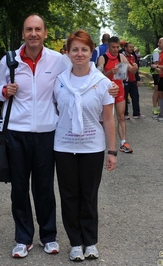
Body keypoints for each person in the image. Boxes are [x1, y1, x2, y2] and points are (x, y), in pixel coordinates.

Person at [0, 14, 70, 258]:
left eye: (37, 29)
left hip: (47, 133)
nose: (33, 34)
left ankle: (48, 236)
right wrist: (4, 91)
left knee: (44, 187)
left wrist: (104, 85)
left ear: (45, 33)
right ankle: (23, 238)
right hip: (16, 132)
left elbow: (80, 76)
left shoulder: (58, 60)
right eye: (28, 30)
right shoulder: (10, 60)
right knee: (19, 188)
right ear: (23, 34)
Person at [53, 29, 117, 262]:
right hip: (64, 147)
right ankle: (75, 243)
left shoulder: (102, 83)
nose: (79, 54)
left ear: (91, 52)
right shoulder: (59, 82)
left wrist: (112, 151)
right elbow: (54, 111)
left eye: (84, 49)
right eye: (75, 49)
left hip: (92, 147)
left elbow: (108, 119)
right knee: (69, 196)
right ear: (68, 53)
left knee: (89, 196)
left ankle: (90, 241)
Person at [97, 36, 138, 153]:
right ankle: (98, 141)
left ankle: (123, 143)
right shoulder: (102, 58)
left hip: (119, 89)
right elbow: (97, 77)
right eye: (113, 47)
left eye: (117, 47)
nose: (115, 50)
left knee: (121, 116)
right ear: (108, 47)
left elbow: (131, 70)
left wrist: (135, 67)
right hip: (106, 91)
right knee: (103, 118)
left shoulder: (121, 57)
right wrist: (110, 72)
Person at [122, 42, 145, 119]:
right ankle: (125, 114)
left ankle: (136, 113)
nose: (131, 49)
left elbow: (136, 69)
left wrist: (137, 79)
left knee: (135, 97)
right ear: (125, 48)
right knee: (124, 97)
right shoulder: (122, 56)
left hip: (133, 80)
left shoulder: (133, 56)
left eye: (132, 47)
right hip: (125, 80)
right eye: (130, 47)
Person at [151, 47, 161, 115]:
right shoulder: (156, 51)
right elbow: (156, 63)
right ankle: (155, 108)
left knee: (160, 91)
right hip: (156, 73)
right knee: (156, 90)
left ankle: (160, 108)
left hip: (162, 73)